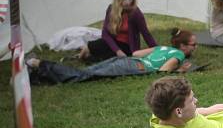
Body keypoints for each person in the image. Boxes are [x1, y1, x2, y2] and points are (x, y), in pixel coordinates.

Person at [29, 28, 197, 84]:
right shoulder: (180, 55)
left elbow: (136, 53)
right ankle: (41, 65)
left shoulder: (163, 47)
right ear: (182, 46)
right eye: (193, 45)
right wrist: (179, 70)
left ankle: (36, 75)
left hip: (128, 60)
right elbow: (162, 72)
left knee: (85, 72)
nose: (195, 48)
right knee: (83, 76)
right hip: (135, 66)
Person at [78, 0, 157, 61]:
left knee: (106, 59)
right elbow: (105, 34)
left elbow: (146, 33)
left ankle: (89, 56)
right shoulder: (111, 9)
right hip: (113, 44)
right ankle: (81, 56)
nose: (127, 2)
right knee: (91, 46)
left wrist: (158, 49)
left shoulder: (136, 13)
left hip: (128, 47)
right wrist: (117, 51)